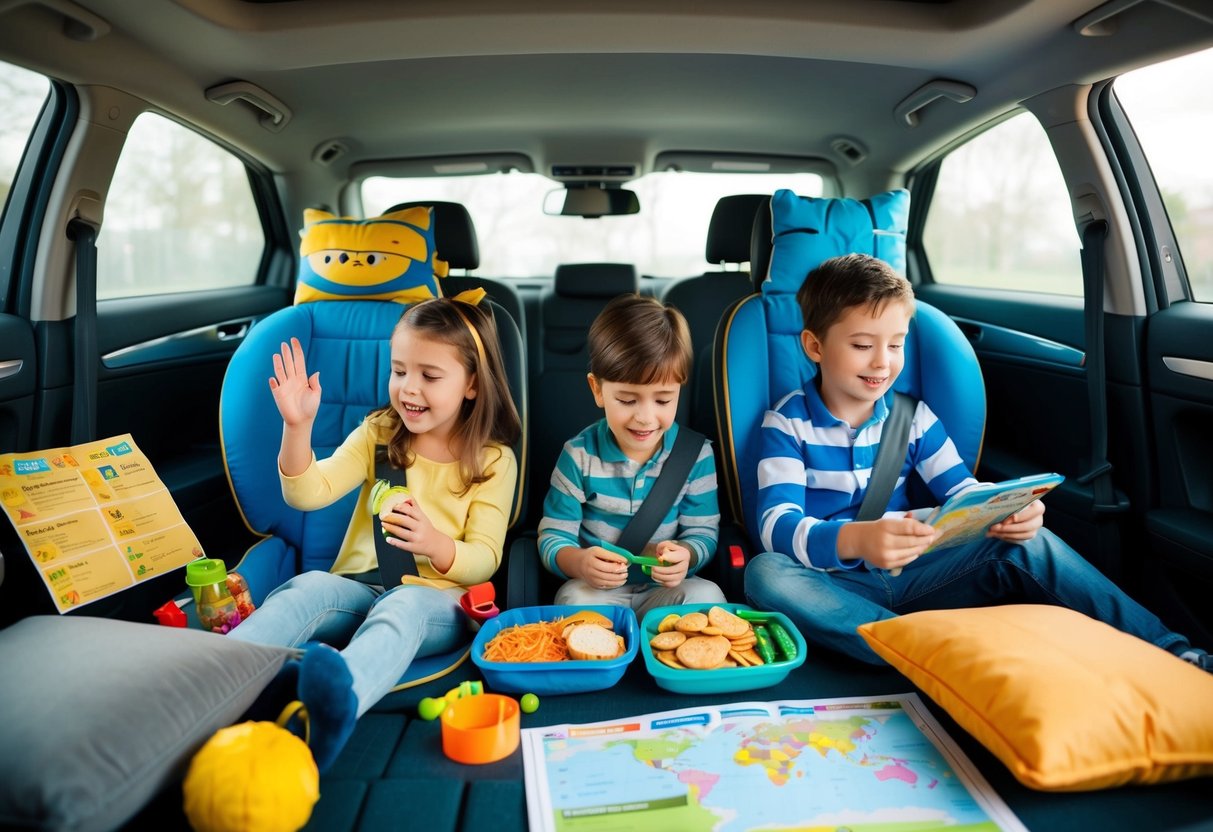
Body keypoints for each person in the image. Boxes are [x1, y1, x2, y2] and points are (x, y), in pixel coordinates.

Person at [744, 253, 1211, 671]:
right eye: (863, 345)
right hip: (836, 588)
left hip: (921, 573)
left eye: (896, 344)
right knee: (765, 574)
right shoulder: (787, 423)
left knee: (1033, 542)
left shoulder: (914, 418)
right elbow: (776, 524)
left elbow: (961, 490)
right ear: (814, 347)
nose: (883, 362)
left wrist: (1006, 510)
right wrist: (856, 539)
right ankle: (926, 654)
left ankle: (1171, 652)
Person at [229, 297, 521, 771]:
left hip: (437, 601)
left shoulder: (492, 461)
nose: (408, 388)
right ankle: (214, 674)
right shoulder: (379, 432)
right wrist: (297, 426)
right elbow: (308, 493)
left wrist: (435, 544)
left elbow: (485, 558)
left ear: (471, 384)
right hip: (362, 588)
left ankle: (331, 706)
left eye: (429, 375)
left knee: (401, 606)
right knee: (308, 587)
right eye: (399, 370)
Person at [537, 293, 726, 617]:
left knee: (708, 594)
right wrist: (580, 563)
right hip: (597, 592)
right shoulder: (579, 456)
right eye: (627, 400)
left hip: (664, 593)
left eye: (663, 400)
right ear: (597, 390)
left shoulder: (696, 457)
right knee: (573, 599)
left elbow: (703, 533)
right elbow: (553, 538)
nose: (645, 417)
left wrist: (686, 555)